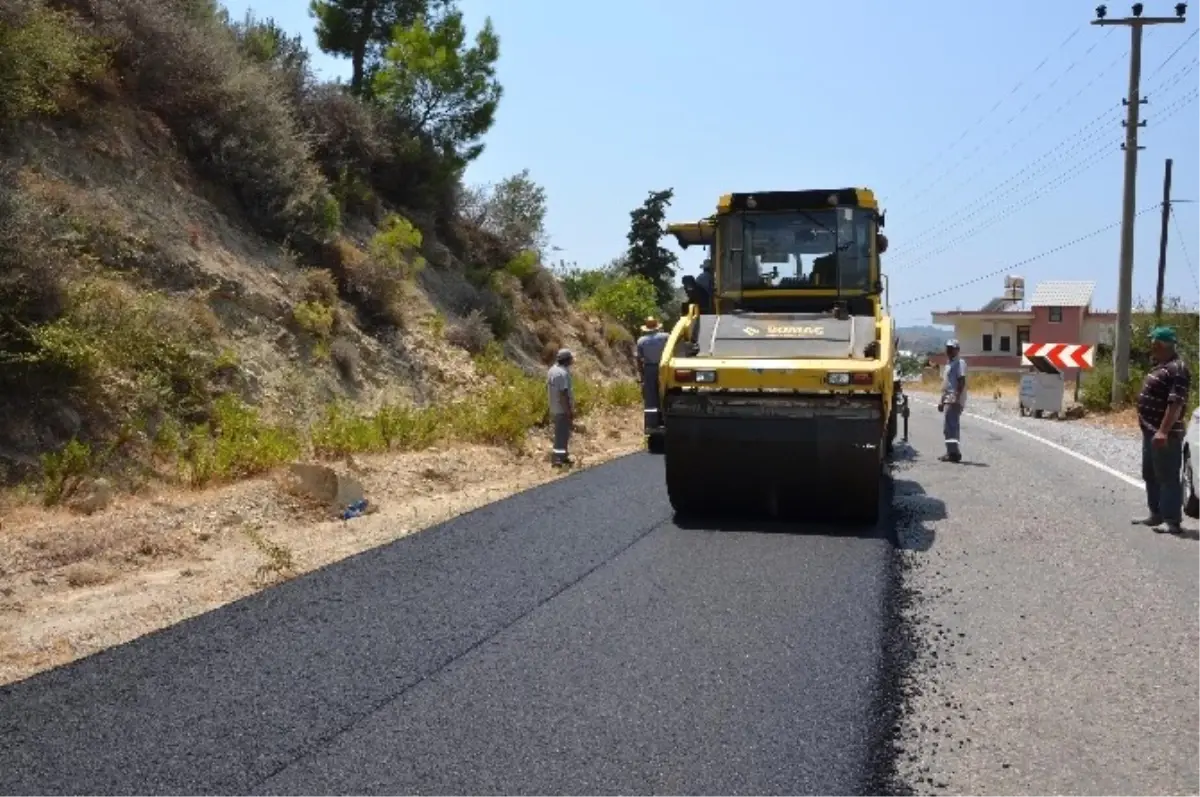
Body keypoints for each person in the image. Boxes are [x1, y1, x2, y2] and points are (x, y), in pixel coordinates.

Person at [1132, 326, 1191, 534]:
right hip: (1150, 431)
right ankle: (1155, 513)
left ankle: (1171, 519)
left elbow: (1175, 403)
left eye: (1153, 343)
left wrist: (1163, 431)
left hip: (1165, 433)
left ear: (1161, 344)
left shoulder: (1178, 368)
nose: (1151, 347)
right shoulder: (1161, 366)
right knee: (1150, 473)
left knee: (1167, 475)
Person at [636, 317, 670, 432]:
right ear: (657, 326)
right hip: (664, 367)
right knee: (666, 392)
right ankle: (667, 419)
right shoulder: (666, 337)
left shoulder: (641, 341)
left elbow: (639, 359)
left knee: (650, 396)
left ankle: (651, 423)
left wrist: (642, 376)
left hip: (649, 368)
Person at [937, 339, 967, 462]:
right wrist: (941, 400)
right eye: (947, 347)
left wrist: (956, 396)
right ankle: (951, 452)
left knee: (951, 426)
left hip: (954, 398)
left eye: (951, 348)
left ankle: (954, 453)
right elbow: (946, 384)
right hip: (948, 397)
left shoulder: (960, 363)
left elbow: (961, 381)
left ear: (957, 350)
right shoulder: (949, 364)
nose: (948, 350)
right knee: (948, 427)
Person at [546, 348, 575, 466]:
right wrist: (568, 411)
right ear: (567, 360)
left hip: (554, 406)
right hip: (561, 408)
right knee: (561, 434)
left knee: (561, 433)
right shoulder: (562, 373)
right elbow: (563, 394)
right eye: (571, 358)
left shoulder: (552, 370)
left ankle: (562, 456)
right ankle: (558, 459)